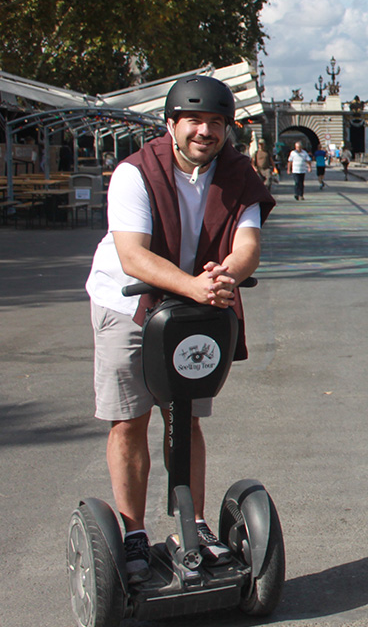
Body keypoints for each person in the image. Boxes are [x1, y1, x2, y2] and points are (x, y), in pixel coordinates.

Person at [84, 76, 275, 584]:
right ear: (171, 124)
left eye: (215, 123)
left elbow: (247, 244)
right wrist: (195, 286)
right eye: (194, 121)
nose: (204, 132)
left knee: (184, 417)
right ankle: (133, 533)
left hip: (193, 306)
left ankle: (192, 525)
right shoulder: (134, 172)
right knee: (130, 420)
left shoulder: (237, 173)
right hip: (125, 304)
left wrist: (222, 278)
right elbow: (132, 254)